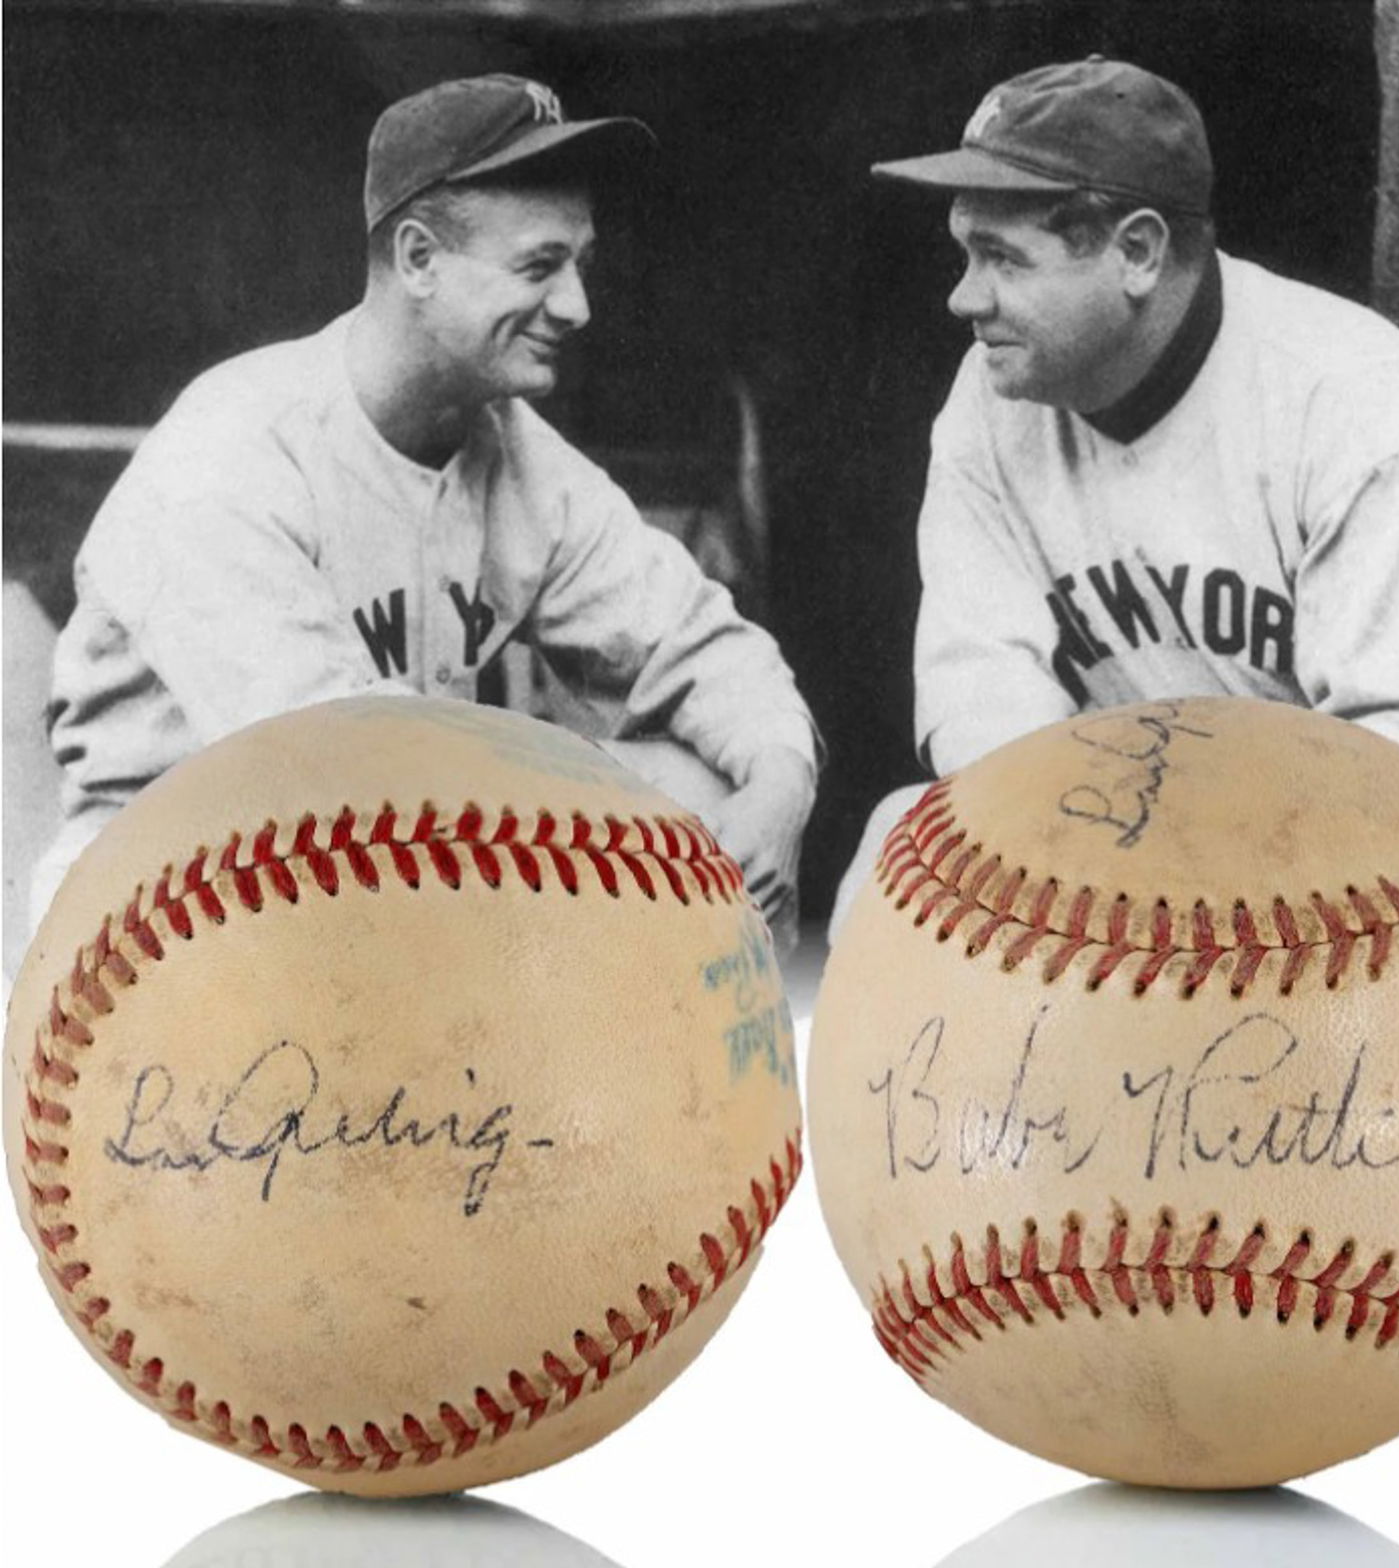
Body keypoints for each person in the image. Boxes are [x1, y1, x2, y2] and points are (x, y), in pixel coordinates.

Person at [834, 57, 1399, 1006]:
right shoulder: (991, 407)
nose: (964, 298)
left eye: (1003, 258)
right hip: (1187, 827)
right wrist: (1089, 878)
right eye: (964, 254)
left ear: (1139, 252)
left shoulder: (1352, 406)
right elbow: (984, 703)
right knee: (902, 851)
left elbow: (1393, 788)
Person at [36, 74, 818, 942]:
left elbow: (700, 642)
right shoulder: (230, 453)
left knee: (703, 795)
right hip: (173, 894)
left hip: (386, 867)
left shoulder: (512, 450)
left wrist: (780, 782)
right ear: (417, 259)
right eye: (539, 266)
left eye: (581, 264)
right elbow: (337, 780)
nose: (576, 306)